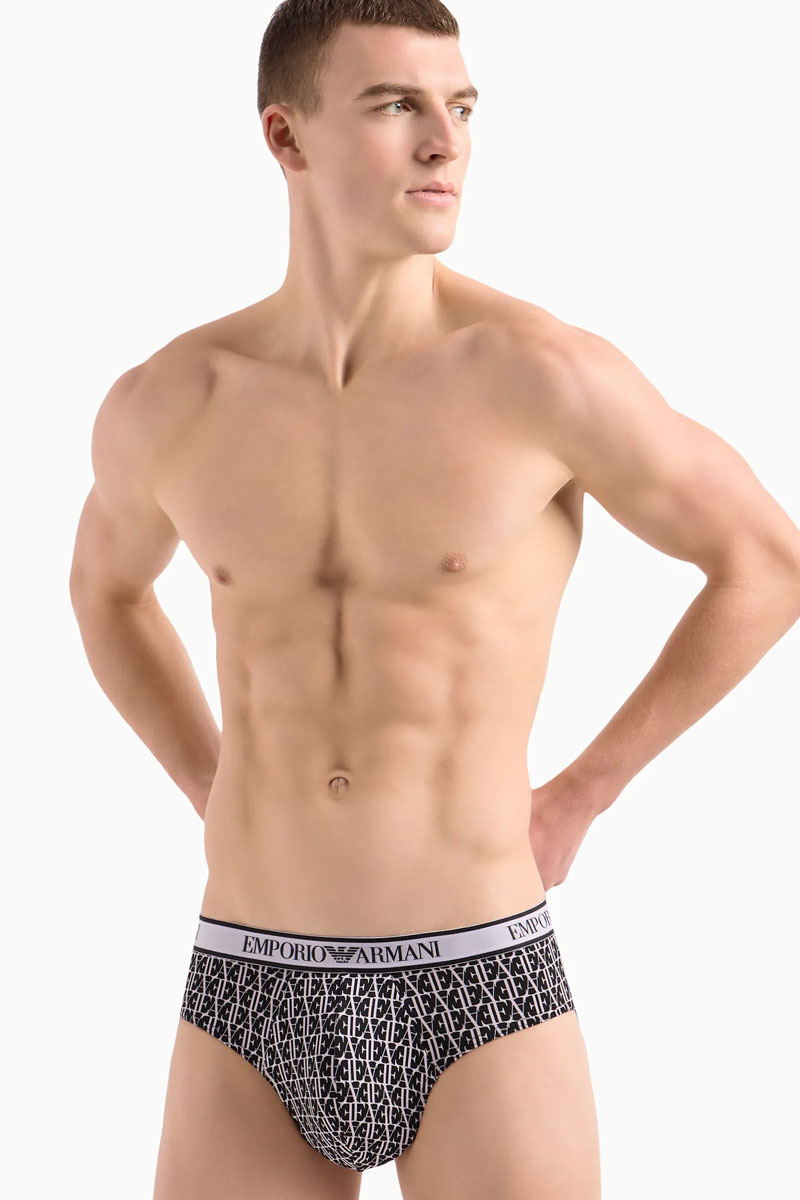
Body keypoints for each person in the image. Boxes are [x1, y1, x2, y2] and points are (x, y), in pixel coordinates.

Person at [68, 2, 800, 1197]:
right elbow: (105, 591)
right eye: (394, 104)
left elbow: (764, 562)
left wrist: (583, 792)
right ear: (285, 136)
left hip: (479, 979)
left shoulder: (539, 376)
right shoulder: (176, 399)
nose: (443, 140)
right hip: (247, 978)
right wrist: (210, 783)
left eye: (459, 107)